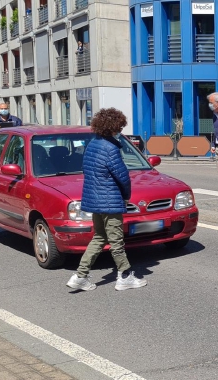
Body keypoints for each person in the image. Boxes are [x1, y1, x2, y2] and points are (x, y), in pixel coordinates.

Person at [66, 108, 147, 292]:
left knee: (99, 237)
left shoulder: (92, 145)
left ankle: (80, 275)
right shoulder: (110, 149)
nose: (120, 130)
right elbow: (123, 176)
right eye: (119, 127)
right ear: (113, 127)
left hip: (95, 201)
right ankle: (125, 276)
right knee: (116, 241)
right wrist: (126, 196)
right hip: (110, 201)